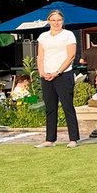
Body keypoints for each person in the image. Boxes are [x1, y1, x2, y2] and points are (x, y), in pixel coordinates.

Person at [36, 9, 80, 148]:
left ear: (63, 21)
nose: (56, 23)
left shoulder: (68, 35)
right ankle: (50, 139)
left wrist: (57, 72)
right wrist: (42, 72)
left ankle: (73, 138)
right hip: (46, 75)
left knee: (67, 106)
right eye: (53, 20)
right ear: (48, 21)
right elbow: (40, 56)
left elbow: (71, 56)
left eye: (59, 20)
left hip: (63, 74)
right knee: (50, 108)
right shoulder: (43, 36)